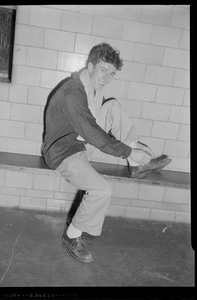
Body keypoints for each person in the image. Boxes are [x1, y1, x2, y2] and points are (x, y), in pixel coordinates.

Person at [42, 43, 171, 263]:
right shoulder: (72, 92)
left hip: (78, 142)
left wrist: (131, 152)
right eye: (103, 70)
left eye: (111, 74)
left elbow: (92, 127)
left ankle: (138, 163)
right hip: (63, 152)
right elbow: (92, 133)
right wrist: (127, 151)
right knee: (102, 189)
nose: (107, 77)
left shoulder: (89, 88)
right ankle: (71, 236)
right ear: (90, 66)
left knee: (112, 107)